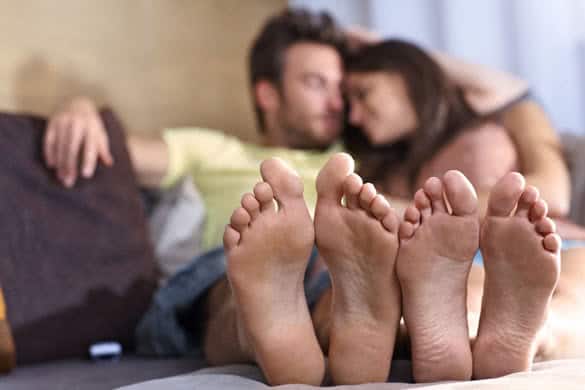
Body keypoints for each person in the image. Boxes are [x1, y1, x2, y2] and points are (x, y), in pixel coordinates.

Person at [42, 9, 541, 386]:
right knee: (237, 287)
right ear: (268, 93)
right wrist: (83, 107)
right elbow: (119, 151)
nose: (336, 102)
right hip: (241, 263)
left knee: (361, 277)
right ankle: (280, 324)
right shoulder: (212, 147)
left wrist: (387, 48)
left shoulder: (362, 157)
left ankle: (390, 332)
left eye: (341, 89)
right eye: (314, 83)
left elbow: (506, 97)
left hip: (350, 263)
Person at [340, 38, 585, 381]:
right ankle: (469, 335)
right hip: (457, 259)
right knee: (463, 289)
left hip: (546, 243)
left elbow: (553, 192)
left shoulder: (507, 112)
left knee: (576, 293)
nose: (354, 115)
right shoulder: (380, 170)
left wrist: (367, 40)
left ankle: (527, 336)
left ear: (405, 73)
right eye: (347, 105)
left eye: (363, 93)